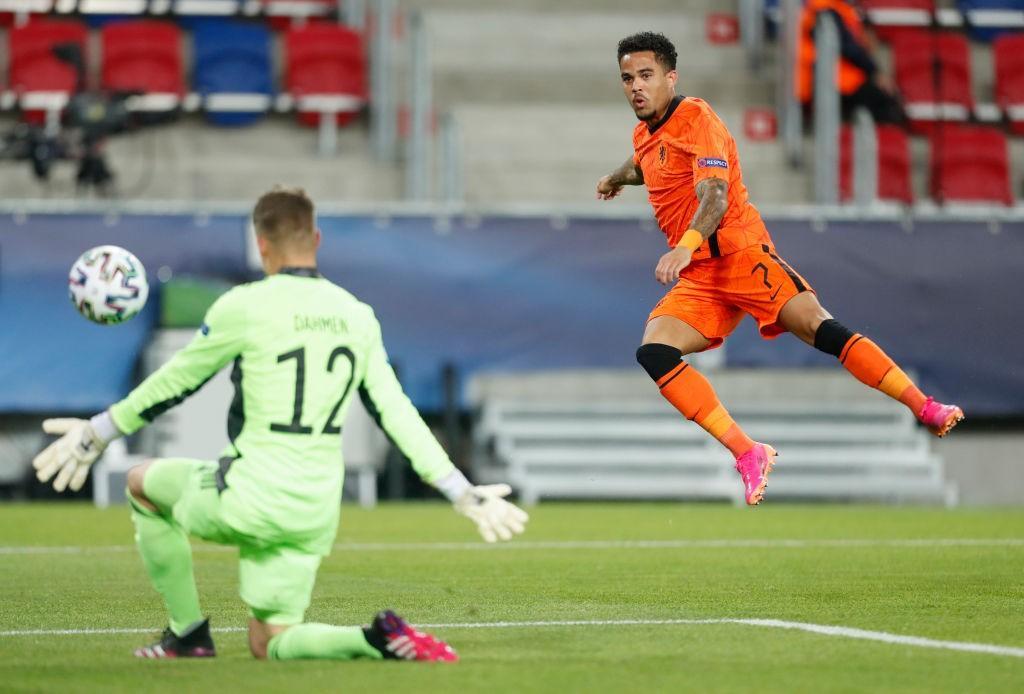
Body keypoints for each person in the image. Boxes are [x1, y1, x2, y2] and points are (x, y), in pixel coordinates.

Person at [33, 187, 529, 661]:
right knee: (271, 641)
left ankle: (187, 636)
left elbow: (175, 382)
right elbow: (396, 413)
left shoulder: (245, 305)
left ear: (261, 244)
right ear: (316, 240)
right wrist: (460, 491)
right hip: (313, 509)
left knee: (142, 484)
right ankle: (374, 637)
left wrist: (97, 433)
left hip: (250, 496)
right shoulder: (356, 315)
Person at [596, 32, 962, 506]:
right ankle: (748, 452)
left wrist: (685, 245)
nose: (636, 87)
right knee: (655, 351)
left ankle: (925, 406)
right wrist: (615, 177)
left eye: (646, 76)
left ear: (671, 77)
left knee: (817, 327)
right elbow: (646, 162)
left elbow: (714, 195)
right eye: (628, 79)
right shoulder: (645, 134)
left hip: (742, 256)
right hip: (703, 281)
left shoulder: (698, 120)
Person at [797, 0, 905, 124]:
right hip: (833, 82)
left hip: (840, 79)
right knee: (886, 102)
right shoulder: (824, 10)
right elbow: (847, 48)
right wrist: (875, 72)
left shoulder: (835, 7)